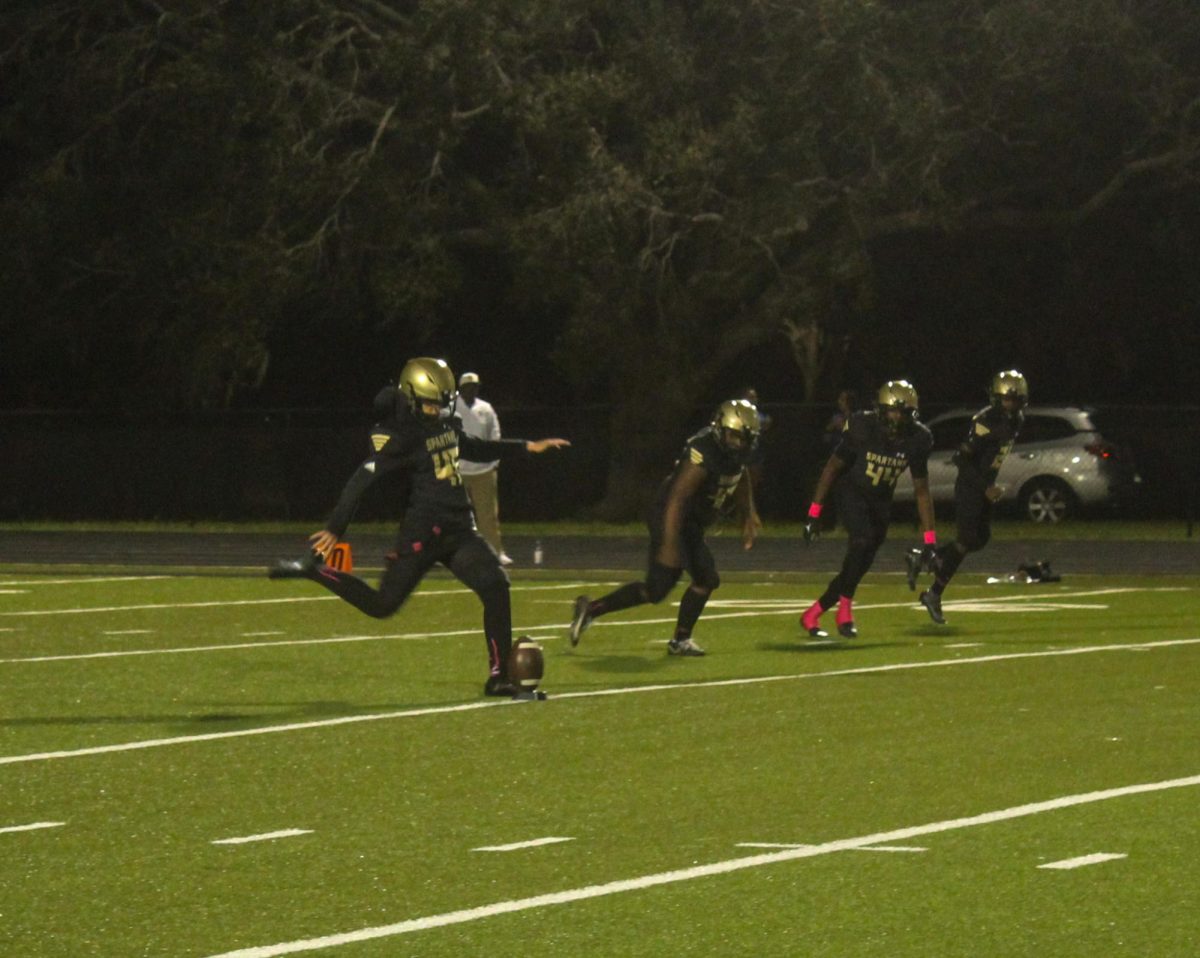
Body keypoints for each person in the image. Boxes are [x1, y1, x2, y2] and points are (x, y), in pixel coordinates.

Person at [268, 357, 570, 697]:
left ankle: (498, 677)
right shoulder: (400, 436)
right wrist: (336, 527)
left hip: (458, 532)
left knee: (496, 586)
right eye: (429, 403)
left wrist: (526, 446)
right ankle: (315, 571)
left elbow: (474, 447)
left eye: (440, 401)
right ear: (411, 398)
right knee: (382, 605)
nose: (436, 408)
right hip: (421, 537)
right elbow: (361, 480)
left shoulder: (447, 425)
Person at [568, 399, 763, 657]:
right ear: (720, 428)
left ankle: (680, 641)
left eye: (744, 438)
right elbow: (678, 498)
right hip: (671, 515)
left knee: (704, 579)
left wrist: (748, 511)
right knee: (658, 589)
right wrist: (670, 543)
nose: (739, 443)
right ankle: (591, 609)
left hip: (689, 521)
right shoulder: (703, 452)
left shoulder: (731, 454)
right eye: (735, 436)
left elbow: (741, 474)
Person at [800, 380, 937, 639]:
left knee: (857, 567)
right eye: (893, 411)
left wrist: (930, 539)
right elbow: (831, 468)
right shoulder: (863, 427)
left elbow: (922, 490)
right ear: (881, 410)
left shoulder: (918, 438)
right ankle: (845, 614)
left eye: (903, 413)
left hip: (881, 502)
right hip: (852, 493)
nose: (897, 418)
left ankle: (813, 613)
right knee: (860, 542)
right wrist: (814, 512)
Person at [909, 370, 1029, 624]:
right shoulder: (985, 420)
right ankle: (934, 593)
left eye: (1016, 399)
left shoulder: (1016, 418)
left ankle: (924, 558)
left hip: (985, 484)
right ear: (996, 398)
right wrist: (985, 486)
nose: (1011, 404)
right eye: (1007, 399)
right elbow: (961, 458)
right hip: (970, 485)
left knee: (980, 539)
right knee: (966, 540)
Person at [453, 371, 512, 566]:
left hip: (483, 471)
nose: (472, 389)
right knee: (453, 515)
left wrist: (494, 461)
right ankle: (449, 554)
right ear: (460, 388)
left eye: (475, 386)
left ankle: (495, 552)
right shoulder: (451, 406)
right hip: (457, 470)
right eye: (467, 386)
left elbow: (495, 435)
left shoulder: (485, 408)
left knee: (487, 515)